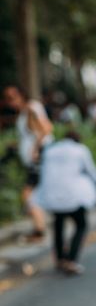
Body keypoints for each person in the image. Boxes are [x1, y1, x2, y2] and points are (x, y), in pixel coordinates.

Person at [32, 130, 96, 275]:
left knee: (58, 225)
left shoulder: (51, 150)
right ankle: (71, 260)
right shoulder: (80, 150)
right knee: (81, 224)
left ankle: (59, 259)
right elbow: (92, 172)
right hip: (74, 195)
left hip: (52, 195)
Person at [2, 85, 53, 241]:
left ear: (21, 95)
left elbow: (46, 128)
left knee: (28, 194)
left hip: (38, 160)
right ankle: (39, 228)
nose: (10, 102)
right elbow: (30, 135)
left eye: (12, 97)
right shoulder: (24, 112)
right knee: (33, 195)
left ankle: (40, 230)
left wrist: (36, 149)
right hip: (32, 161)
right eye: (7, 98)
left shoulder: (32, 107)